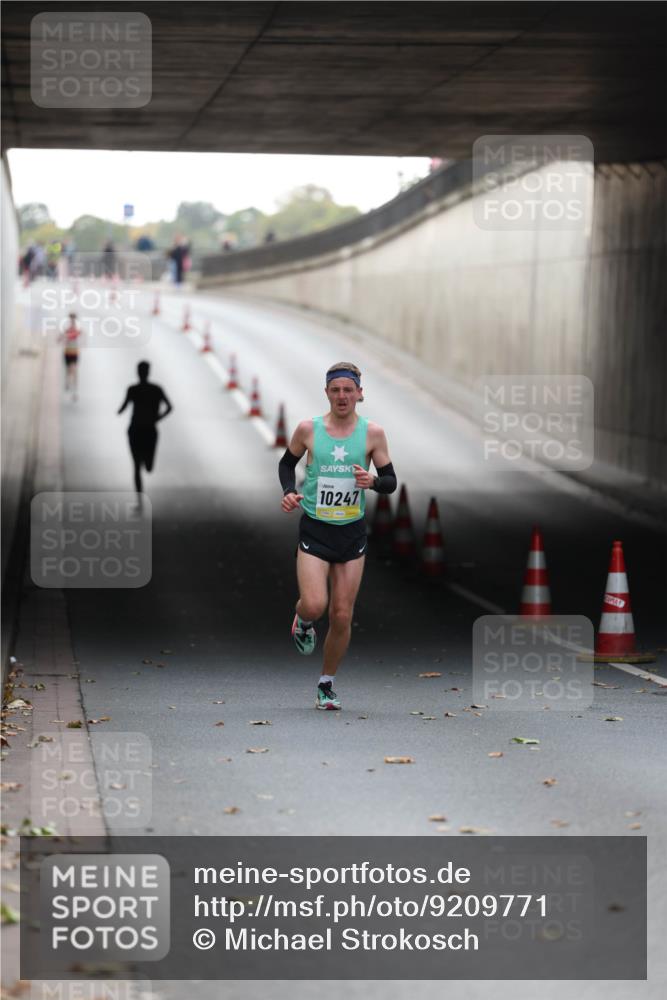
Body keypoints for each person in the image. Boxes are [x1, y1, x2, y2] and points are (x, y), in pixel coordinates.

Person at [279, 362, 397, 710]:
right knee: (316, 604)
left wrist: (372, 482)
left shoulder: (373, 434)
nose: (342, 396)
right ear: (327, 393)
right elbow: (287, 464)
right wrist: (289, 491)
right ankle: (302, 620)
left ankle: (326, 684)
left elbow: (390, 481)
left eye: (349, 390)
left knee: (342, 614)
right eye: (336, 390)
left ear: (360, 394)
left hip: (351, 532)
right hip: (315, 527)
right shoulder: (308, 429)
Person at [117, 361, 173, 495]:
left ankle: (139, 493)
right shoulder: (156, 389)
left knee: (139, 465)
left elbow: (122, 408)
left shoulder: (133, 389)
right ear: (148, 372)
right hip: (148, 429)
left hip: (137, 429)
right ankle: (140, 492)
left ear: (138, 373)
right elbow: (169, 407)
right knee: (145, 465)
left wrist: (119, 410)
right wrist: (158, 417)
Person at [59, 312, 81, 400]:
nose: (72, 320)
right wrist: (63, 338)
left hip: (74, 352)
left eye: (73, 319)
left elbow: (81, 337)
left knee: (74, 370)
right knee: (68, 370)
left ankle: (75, 391)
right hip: (67, 352)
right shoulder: (67, 329)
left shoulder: (78, 329)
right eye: (71, 319)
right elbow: (60, 338)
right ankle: (67, 381)